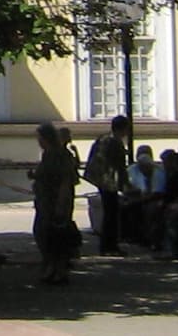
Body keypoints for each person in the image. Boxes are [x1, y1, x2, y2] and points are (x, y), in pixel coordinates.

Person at [32, 121, 80, 285]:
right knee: (44, 235)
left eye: (40, 138)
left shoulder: (59, 154)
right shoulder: (47, 154)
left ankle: (58, 269)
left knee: (55, 236)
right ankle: (51, 267)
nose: (38, 142)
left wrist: (61, 203)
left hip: (56, 202)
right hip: (45, 201)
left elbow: (66, 180)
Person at [84, 116, 132, 256]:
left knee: (109, 213)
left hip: (101, 179)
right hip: (109, 181)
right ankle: (110, 247)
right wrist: (126, 185)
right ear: (122, 129)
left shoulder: (102, 139)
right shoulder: (115, 143)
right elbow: (120, 167)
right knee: (111, 214)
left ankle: (108, 246)